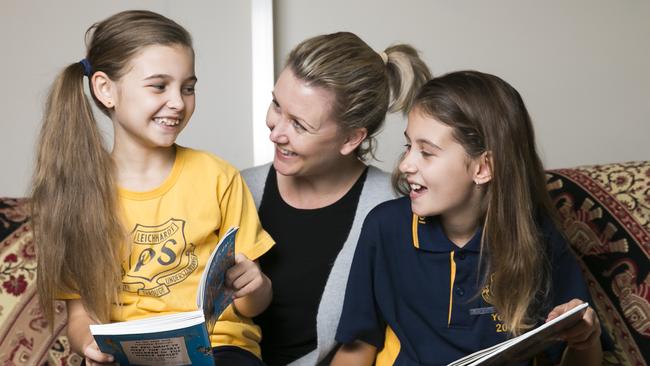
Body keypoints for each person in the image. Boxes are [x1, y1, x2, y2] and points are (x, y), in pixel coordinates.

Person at [31, 10, 274, 366]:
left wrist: (257, 287)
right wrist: (89, 346)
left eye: (187, 88)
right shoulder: (76, 196)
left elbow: (253, 304)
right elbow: (80, 317)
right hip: (129, 355)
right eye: (159, 86)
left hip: (218, 349)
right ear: (105, 89)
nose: (178, 102)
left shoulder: (218, 177)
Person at [333, 70, 605, 366]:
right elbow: (358, 345)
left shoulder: (539, 237)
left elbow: (577, 359)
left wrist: (585, 339)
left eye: (426, 152)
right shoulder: (385, 228)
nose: (406, 164)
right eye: (408, 146)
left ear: (483, 168)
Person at [242, 32, 431, 365]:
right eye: (276, 105)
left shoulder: (396, 207)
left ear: (351, 138)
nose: (274, 132)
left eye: (298, 124)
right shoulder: (236, 188)